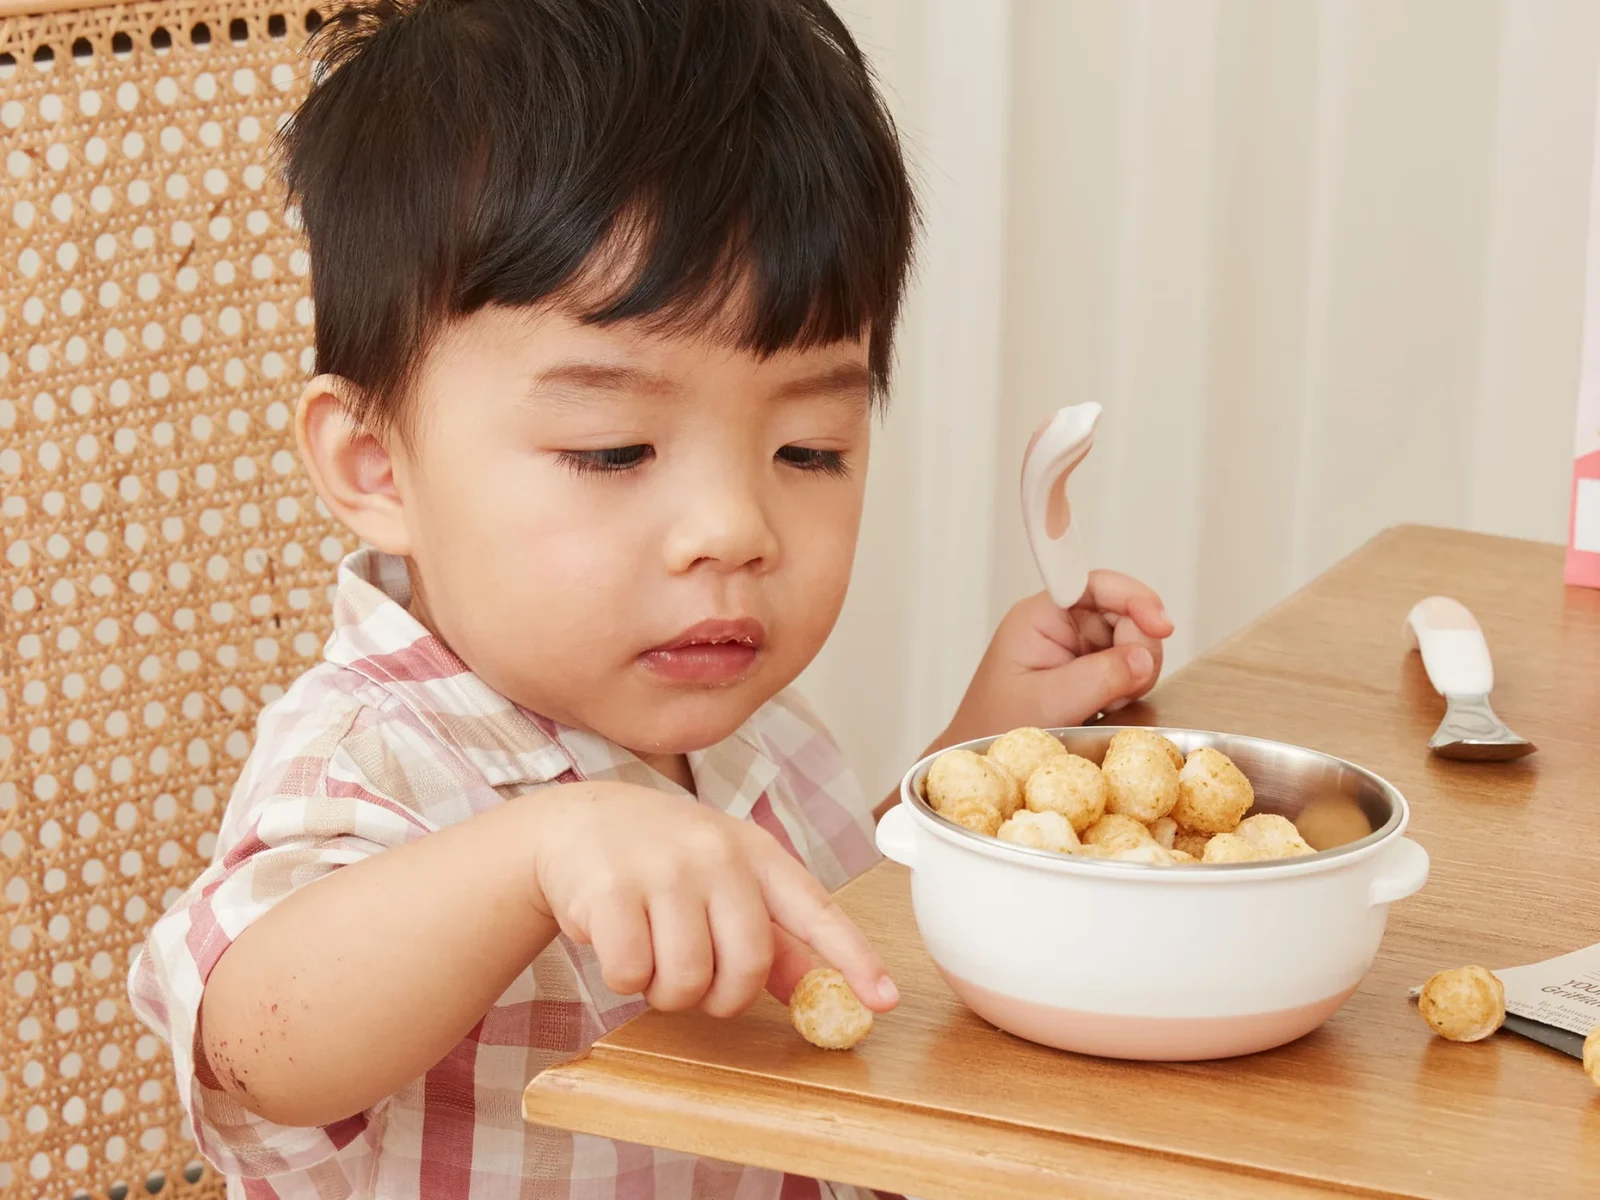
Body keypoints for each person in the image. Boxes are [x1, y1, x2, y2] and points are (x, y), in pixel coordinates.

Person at [129, 0, 1173, 1195]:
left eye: (810, 452)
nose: (735, 529)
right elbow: (258, 1040)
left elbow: (828, 943)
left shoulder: (741, 721)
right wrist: (533, 856)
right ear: (376, 467)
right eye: (615, 451)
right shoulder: (371, 754)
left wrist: (977, 755)